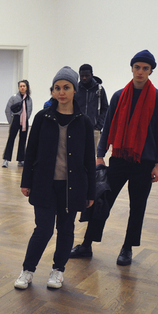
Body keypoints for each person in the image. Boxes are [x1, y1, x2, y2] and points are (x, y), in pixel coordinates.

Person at [70, 50, 158, 266]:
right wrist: (99, 154)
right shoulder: (118, 96)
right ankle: (87, 244)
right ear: (132, 68)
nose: (140, 72)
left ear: (151, 70)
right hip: (119, 158)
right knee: (101, 202)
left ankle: (127, 248)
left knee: (138, 207)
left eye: (145, 68)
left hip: (144, 162)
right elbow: (108, 127)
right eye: (137, 67)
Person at [14, 67, 96, 290]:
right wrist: (26, 181)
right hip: (44, 184)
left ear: (74, 90)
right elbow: (30, 152)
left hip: (73, 187)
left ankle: (58, 270)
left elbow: (89, 159)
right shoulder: (42, 118)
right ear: (52, 91)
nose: (61, 92)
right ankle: (27, 270)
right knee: (43, 229)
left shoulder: (84, 122)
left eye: (66, 87)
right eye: (57, 88)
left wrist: (91, 192)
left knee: (66, 229)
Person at [75, 64, 108, 149]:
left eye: (87, 75)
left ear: (92, 74)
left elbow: (105, 109)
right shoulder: (75, 90)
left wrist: (99, 126)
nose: (84, 78)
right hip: (77, 128)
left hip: (94, 129)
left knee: (91, 157)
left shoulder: (99, 89)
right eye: (82, 76)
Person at [3, 80, 33, 168]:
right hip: (15, 119)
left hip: (24, 121)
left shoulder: (29, 99)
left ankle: (21, 159)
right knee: (11, 139)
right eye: (20, 86)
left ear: (27, 87)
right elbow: (7, 110)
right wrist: (10, 121)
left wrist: (26, 118)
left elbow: (30, 110)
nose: (22, 88)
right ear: (18, 88)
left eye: (24, 86)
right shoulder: (14, 98)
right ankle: (6, 159)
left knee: (23, 140)